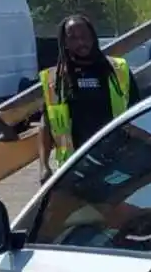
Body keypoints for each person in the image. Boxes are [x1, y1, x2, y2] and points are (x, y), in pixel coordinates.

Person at [38, 15, 133, 174]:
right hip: (73, 166)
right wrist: (43, 166)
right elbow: (45, 124)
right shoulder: (55, 79)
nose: (81, 42)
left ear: (93, 38)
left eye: (85, 36)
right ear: (65, 42)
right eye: (73, 38)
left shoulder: (117, 70)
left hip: (116, 161)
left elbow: (138, 115)